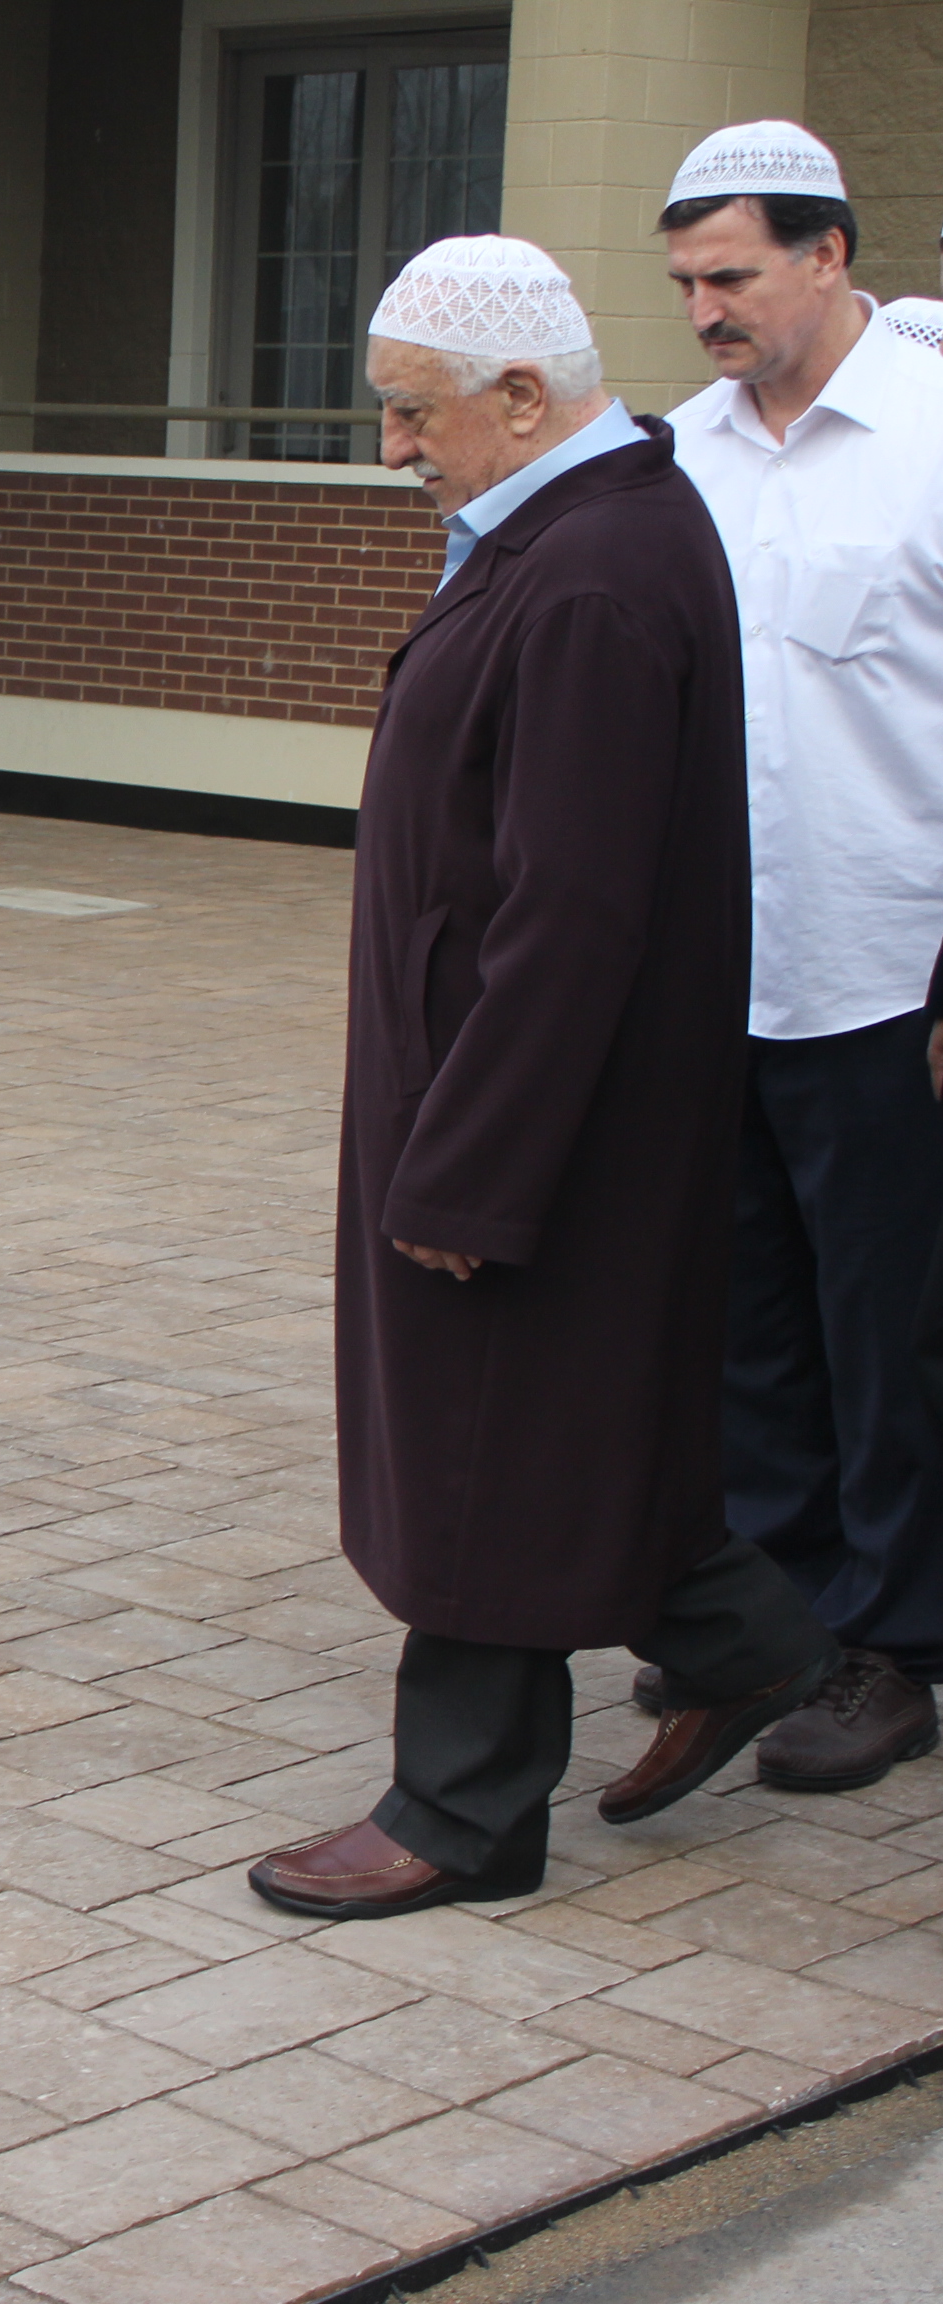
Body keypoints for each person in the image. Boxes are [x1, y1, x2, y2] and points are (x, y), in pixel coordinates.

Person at [248, 237, 841, 1921]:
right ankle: (743, 1638)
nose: (391, 449)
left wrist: (470, 1167)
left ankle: (459, 1808)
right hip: (516, 1094)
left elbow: (572, 911)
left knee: (483, 1440)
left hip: (527, 1117)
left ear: (519, 396)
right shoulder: (572, 531)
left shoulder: (587, 572)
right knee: (566, 1419)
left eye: (409, 413)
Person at [657, 122, 943, 1790]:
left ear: (826, 254)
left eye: (732, 275)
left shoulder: (928, 434)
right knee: (747, 1319)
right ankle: (775, 1627)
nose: (703, 309)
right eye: (684, 282)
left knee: (888, 1324)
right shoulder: (679, 455)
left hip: (887, 976)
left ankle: (894, 1642)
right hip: (721, 974)